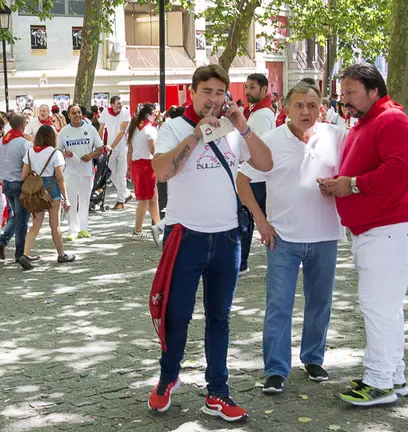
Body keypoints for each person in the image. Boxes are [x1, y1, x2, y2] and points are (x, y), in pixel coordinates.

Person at [147, 64, 273, 422]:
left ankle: (217, 390)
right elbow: (162, 171)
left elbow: (266, 162)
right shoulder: (173, 127)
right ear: (192, 93)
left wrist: (243, 126)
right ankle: (168, 378)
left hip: (227, 236)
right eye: (207, 92)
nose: (214, 99)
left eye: (220, 92)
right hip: (185, 236)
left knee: (219, 318)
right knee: (178, 315)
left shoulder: (235, 129)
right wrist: (197, 135)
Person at [319, 63, 408, 407]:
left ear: (373, 90)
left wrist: (351, 185)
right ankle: (394, 375)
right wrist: (344, 183)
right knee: (387, 309)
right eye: (342, 93)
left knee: (378, 308)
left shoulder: (391, 120)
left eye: (350, 92)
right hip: (381, 229)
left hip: (389, 229)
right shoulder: (372, 121)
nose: (343, 99)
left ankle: (379, 381)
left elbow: (398, 171)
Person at [239, 81, 347, 395]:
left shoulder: (336, 137)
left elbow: (359, 168)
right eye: (298, 105)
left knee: (320, 303)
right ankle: (275, 369)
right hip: (282, 238)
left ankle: (313, 358)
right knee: (279, 306)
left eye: (312, 105)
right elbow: (242, 180)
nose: (305, 111)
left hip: (325, 235)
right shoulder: (271, 141)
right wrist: (261, 222)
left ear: (321, 107)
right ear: (286, 108)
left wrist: (340, 183)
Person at [18, 126, 75, 270]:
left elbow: (23, 176)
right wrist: (66, 198)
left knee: (35, 225)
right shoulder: (55, 153)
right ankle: (61, 254)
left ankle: (25, 254)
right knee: (54, 225)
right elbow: (60, 178)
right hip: (52, 191)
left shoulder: (30, 152)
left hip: (36, 191)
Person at [239, 73, 277, 274]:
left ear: (264, 90)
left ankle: (242, 262)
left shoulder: (262, 115)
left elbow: (257, 148)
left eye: (252, 87)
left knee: (247, 219)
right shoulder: (255, 112)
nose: (248, 91)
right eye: (247, 87)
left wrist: (244, 170)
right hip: (253, 175)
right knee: (252, 218)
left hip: (255, 177)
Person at [58, 105, 105, 240]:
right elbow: (57, 150)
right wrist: (64, 153)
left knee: (84, 200)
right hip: (70, 171)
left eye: (79, 112)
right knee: (71, 200)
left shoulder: (90, 129)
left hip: (86, 170)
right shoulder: (64, 131)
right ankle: (72, 230)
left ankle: (83, 228)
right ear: (69, 116)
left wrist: (90, 155)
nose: (77, 115)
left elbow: (100, 148)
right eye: (74, 113)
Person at [0, 115, 32, 262]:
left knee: (16, 216)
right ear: (22, 125)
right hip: (19, 183)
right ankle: (20, 253)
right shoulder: (23, 143)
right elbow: (29, 162)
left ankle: (2, 241)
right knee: (22, 220)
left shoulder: (1, 141)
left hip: (6, 182)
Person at [126, 103, 161, 243]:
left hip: (136, 165)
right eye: (155, 113)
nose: (157, 116)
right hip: (146, 165)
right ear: (149, 114)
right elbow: (154, 151)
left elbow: (130, 151)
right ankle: (137, 230)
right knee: (145, 200)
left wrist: (129, 168)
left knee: (152, 197)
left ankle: (158, 226)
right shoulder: (150, 130)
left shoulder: (134, 128)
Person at [99, 96, 132, 209]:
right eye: (118, 103)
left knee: (121, 174)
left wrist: (111, 146)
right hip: (110, 148)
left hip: (122, 148)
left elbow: (122, 131)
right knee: (110, 173)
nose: (120, 105)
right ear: (112, 104)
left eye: (121, 103)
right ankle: (126, 193)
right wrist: (99, 145)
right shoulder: (105, 112)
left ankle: (120, 201)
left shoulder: (125, 112)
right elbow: (101, 128)